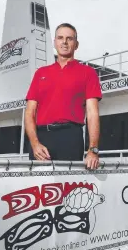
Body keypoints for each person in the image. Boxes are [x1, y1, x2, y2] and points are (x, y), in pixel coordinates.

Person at [24, 23, 102, 170]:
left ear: (76, 44)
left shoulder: (88, 73)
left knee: (67, 188)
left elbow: (92, 114)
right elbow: (29, 113)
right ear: (54, 42)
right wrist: (34, 144)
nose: (64, 42)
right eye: (60, 38)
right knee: (38, 188)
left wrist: (93, 150)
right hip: (41, 138)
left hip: (70, 137)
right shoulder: (40, 73)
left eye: (69, 38)